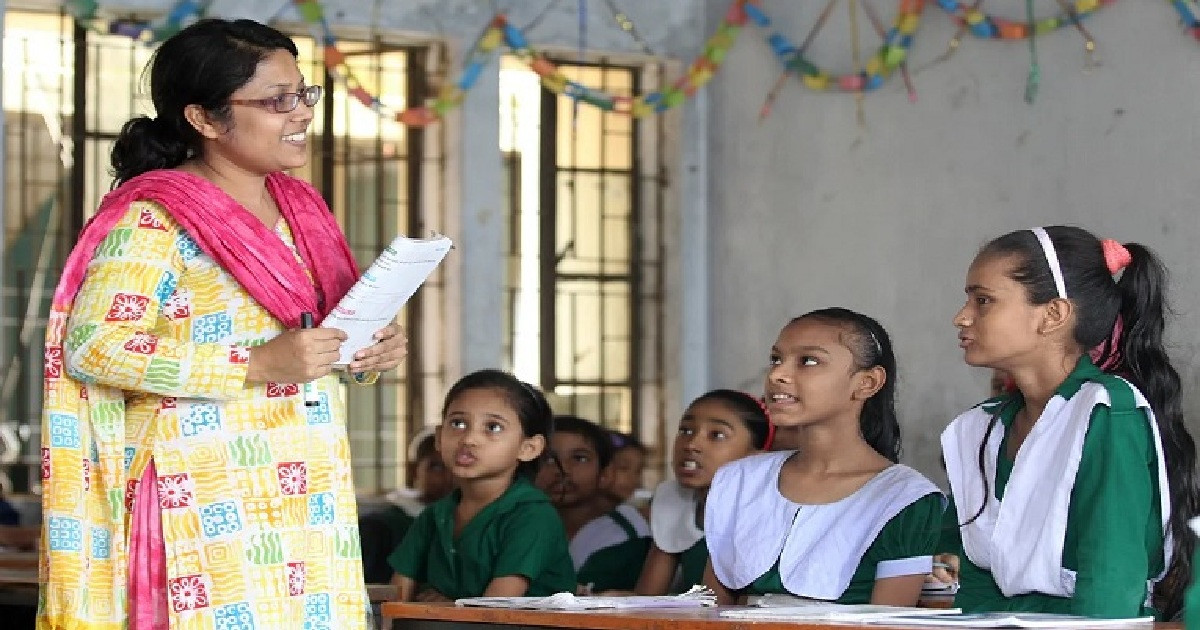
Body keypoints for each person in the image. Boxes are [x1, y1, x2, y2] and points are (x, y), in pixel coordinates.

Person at [38, 19, 406, 629]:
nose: (300, 114)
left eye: (303, 94)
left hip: (304, 492)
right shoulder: (157, 219)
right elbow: (94, 346)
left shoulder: (299, 209)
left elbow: (317, 336)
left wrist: (369, 350)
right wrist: (257, 363)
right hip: (201, 495)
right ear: (204, 119)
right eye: (276, 101)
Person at [942, 226, 1199, 619]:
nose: (962, 317)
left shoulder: (1105, 411)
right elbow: (977, 584)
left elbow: (1110, 584)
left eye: (984, 300)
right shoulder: (981, 428)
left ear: (1053, 314)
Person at [704, 308, 943, 606]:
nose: (777, 374)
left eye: (808, 361)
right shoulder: (739, 480)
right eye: (776, 359)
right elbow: (711, 609)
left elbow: (888, 622)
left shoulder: (905, 498)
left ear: (866, 383)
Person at [388, 370, 575, 600]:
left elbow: (494, 610)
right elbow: (397, 596)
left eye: (493, 427)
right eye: (457, 423)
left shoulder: (533, 517)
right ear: (439, 438)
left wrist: (449, 610)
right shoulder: (435, 515)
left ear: (529, 448)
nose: (469, 439)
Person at [635, 389, 772, 595]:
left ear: (756, 455)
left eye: (716, 435)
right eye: (686, 430)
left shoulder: (767, 509)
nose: (691, 445)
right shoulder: (674, 500)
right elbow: (646, 598)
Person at [536, 415, 650, 593]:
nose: (562, 469)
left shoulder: (630, 535)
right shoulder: (516, 525)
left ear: (605, 474)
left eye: (579, 458)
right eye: (549, 458)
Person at [359, 429, 452, 584]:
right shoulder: (381, 526)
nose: (448, 477)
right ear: (414, 470)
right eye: (436, 467)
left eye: (454, 467)